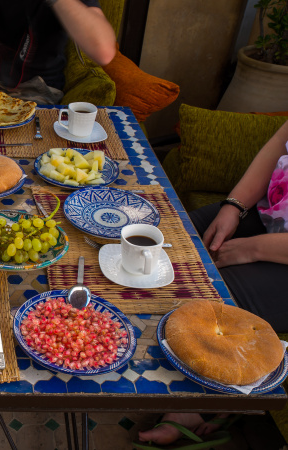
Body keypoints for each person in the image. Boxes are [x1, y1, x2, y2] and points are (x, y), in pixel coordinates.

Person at [137, 119, 288, 446]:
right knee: (159, 244)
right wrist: (234, 206)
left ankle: (191, 410)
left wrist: (253, 248)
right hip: (267, 215)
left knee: (195, 304)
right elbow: (280, 143)